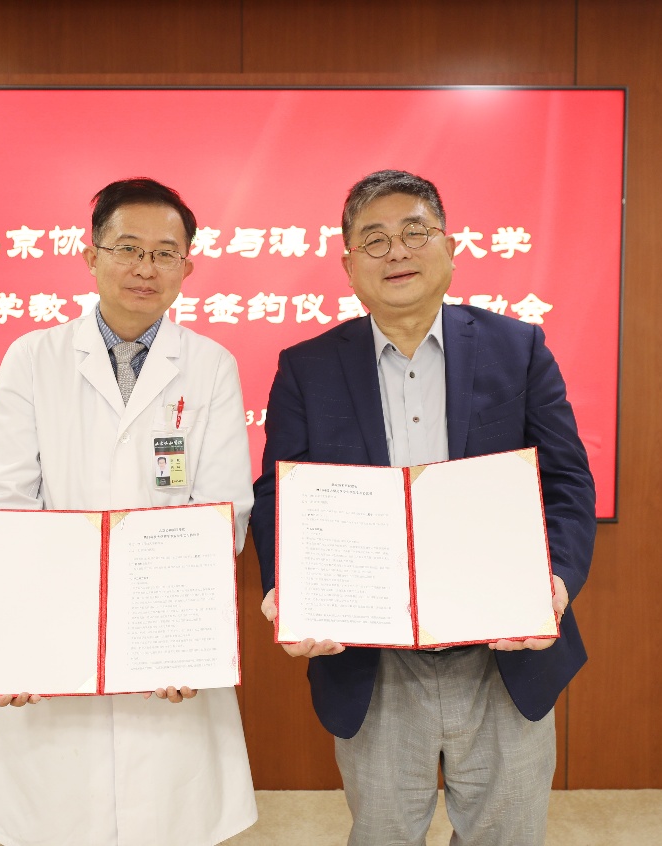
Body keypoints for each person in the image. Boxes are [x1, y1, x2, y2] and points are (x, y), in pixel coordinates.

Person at [250, 170, 596, 846]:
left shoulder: (517, 348)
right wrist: (286, 592)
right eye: (374, 240)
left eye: (415, 232)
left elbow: (564, 482)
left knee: (506, 834)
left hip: (503, 650)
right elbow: (280, 495)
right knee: (382, 833)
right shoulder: (306, 367)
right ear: (348, 263)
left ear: (450, 247)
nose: (397, 253)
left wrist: (552, 584)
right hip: (373, 656)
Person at [0, 178, 257, 846]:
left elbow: (223, 509)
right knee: (54, 819)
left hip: (166, 634)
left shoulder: (210, 365)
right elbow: (4, 502)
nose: (145, 267)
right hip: (53, 631)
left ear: (187, 267)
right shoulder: (33, 357)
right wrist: (20, 642)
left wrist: (183, 639)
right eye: (128, 248)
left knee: (168, 821)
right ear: (91, 256)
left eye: (164, 253)